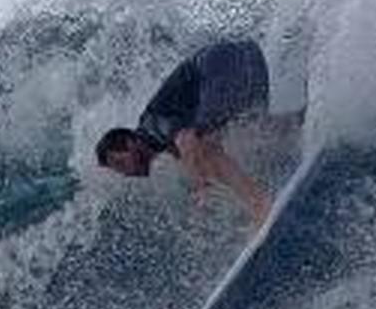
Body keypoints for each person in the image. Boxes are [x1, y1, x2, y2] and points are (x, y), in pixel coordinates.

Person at [94, 38, 278, 227]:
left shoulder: (152, 125)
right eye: (118, 169)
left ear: (130, 142)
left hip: (220, 64)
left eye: (120, 162)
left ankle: (261, 206)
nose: (126, 172)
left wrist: (200, 187)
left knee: (203, 145)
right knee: (250, 129)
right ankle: (303, 125)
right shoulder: (162, 142)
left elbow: (187, 139)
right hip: (246, 57)